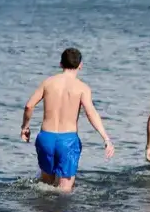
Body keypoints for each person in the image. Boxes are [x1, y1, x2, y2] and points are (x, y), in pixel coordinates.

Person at [20, 47, 115, 193]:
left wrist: (25, 127)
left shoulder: (48, 83)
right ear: (80, 65)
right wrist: (106, 139)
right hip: (67, 140)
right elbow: (91, 114)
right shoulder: (82, 88)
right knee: (64, 191)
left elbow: (29, 105)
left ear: (60, 64)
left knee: (44, 186)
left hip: (46, 138)